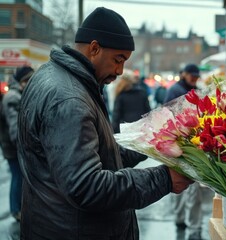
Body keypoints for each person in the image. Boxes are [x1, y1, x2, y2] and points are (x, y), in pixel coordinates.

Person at [16, 7, 192, 240]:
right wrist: (164, 179)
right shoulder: (69, 98)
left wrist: (150, 143)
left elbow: (100, 152)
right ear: (95, 48)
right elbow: (86, 186)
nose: (119, 71)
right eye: (118, 60)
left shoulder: (57, 77)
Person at [163, 64, 203, 239]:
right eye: (191, 75)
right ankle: (187, 223)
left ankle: (189, 224)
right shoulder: (176, 90)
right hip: (178, 143)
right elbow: (168, 113)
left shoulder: (194, 90)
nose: (194, 78)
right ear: (184, 74)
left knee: (190, 187)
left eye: (196, 75)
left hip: (191, 144)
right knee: (181, 184)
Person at [0, 66, 33, 222]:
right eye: (28, 80)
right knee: (17, 177)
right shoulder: (13, 97)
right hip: (12, 148)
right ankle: (15, 209)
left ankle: (18, 208)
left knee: (19, 176)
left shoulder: (17, 94)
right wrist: (22, 147)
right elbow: (14, 126)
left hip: (13, 146)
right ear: (22, 81)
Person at [112, 69, 151, 133]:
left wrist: (114, 131)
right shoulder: (142, 92)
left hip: (125, 129)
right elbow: (148, 111)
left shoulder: (121, 94)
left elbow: (116, 115)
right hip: (140, 128)